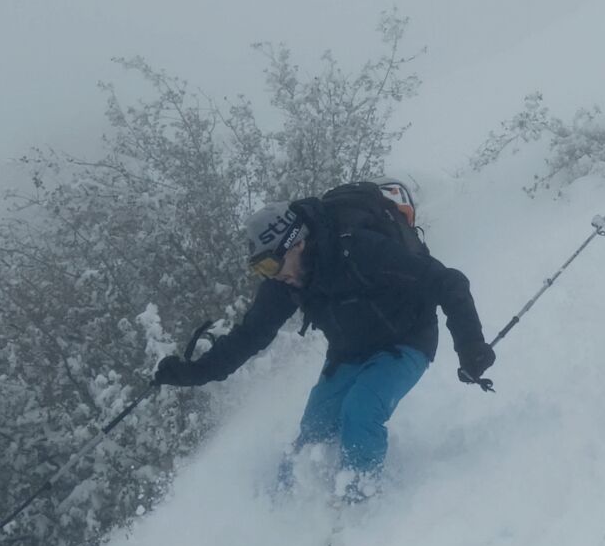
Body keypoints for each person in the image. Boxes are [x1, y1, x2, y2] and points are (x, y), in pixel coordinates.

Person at [152, 188, 494, 500]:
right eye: (261, 269)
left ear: (296, 243)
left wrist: (470, 345)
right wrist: (195, 373)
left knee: (359, 412)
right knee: (314, 429)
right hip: (349, 352)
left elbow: (448, 283)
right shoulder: (287, 281)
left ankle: (360, 503)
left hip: (406, 339)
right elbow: (250, 336)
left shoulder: (360, 250)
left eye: (272, 263)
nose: (271, 275)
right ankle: (284, 509)